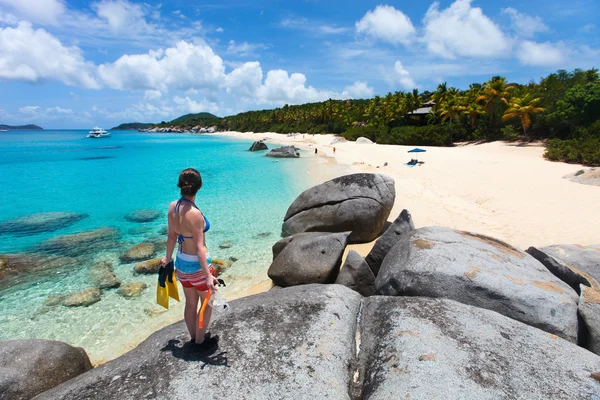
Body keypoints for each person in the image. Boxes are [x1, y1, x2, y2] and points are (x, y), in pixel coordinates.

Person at [163, 168, 219, 345]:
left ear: (180, 186)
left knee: (190, 303)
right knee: (207, 303)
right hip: (197, 266)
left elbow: (171, 236)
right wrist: (208, 275)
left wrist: (167, 258)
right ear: (199, 186)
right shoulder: (194, 214)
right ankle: (200, 341)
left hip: (181, 264)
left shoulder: (173, 207)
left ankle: (194, 336)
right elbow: (199, 247)